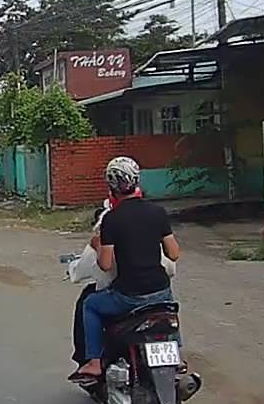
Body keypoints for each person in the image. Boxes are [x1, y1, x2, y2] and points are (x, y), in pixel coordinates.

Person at [70, 157, 181, 382]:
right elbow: (173, 253)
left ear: (111, 187)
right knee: (167, 312)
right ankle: (177, 357)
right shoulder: (158, 212)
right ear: (137, 181)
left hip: (129, 296)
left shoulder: (112, 219)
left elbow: (105, 264)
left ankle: (94, 362)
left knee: (90, 304)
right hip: (161, 291)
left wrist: (97, 245)